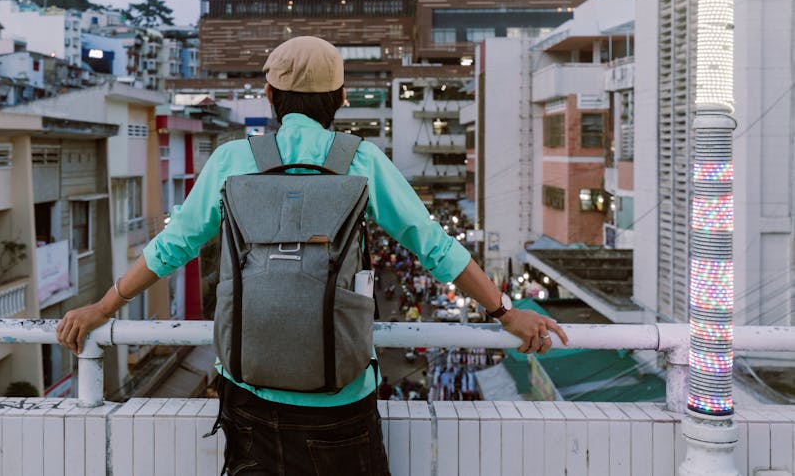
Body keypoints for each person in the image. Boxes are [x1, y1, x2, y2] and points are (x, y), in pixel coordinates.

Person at [56, 35, 569, 475]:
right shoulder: (361, 161)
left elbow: (174, 246)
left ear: (269, 95)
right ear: (342, 98)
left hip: (248, 392)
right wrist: (505, 312)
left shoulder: (233, 160)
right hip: (339, 400)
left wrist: (103, 308)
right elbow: (433, 246)